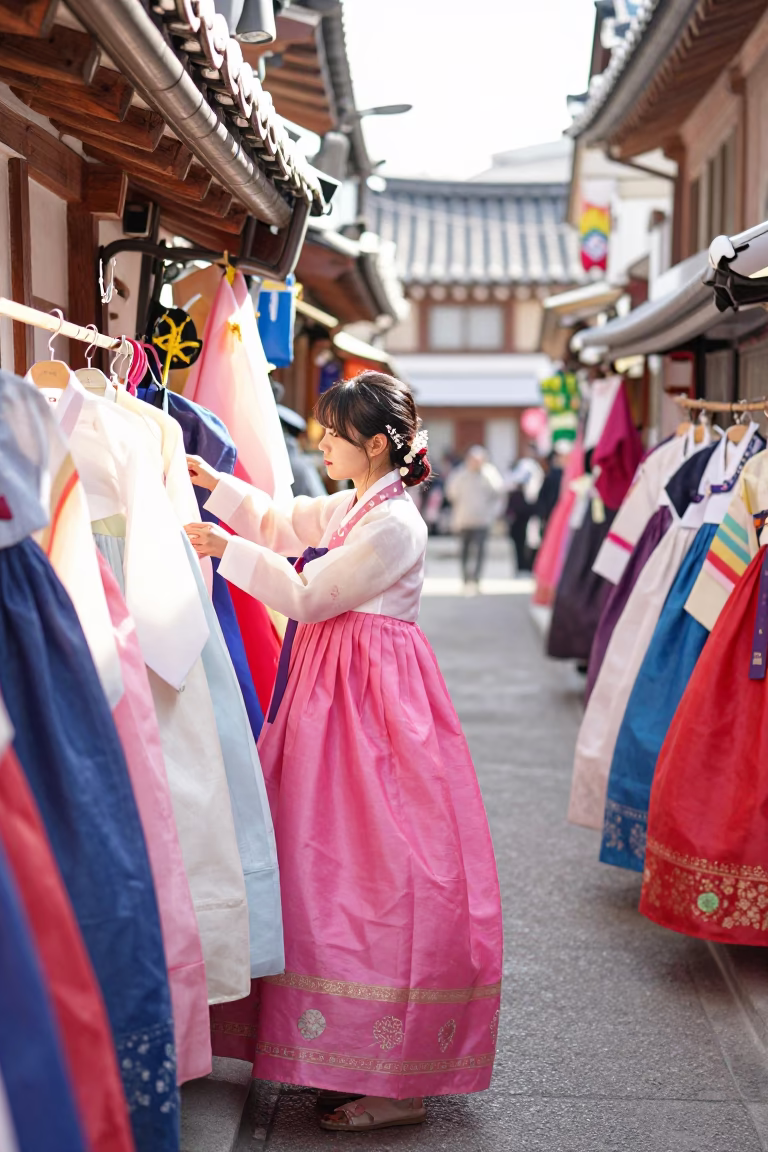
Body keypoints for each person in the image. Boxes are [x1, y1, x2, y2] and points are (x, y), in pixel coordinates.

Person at [184, 371, 502, 1133]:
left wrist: (228, 547)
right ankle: (353, 1059)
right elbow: (293, 522)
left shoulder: (394, 526)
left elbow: (308, 594)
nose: (322, 443)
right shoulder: (366, 505)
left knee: (374, 870)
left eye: (334, 433)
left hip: (370, 713)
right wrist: (218, 485)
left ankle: (395, 1082)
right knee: (331, 866)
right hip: (343, 701)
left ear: (377, 444)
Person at [445, 446, 504, 590]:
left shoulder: (490, 474)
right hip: (463, 519)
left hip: (482, 520)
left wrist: (494, 513)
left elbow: (498, 493)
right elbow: (451, 493)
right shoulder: (460, 474)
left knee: (480, 552)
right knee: (464, 551)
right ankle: (466, 579)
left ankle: (476, 579)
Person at [505, 454, 545, 574]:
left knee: (533, 543)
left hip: (531, 518)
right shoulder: (514, 490)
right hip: (518, 519)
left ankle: (530, 566)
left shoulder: (537, 486)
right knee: (519, 543)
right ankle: (521, 566)